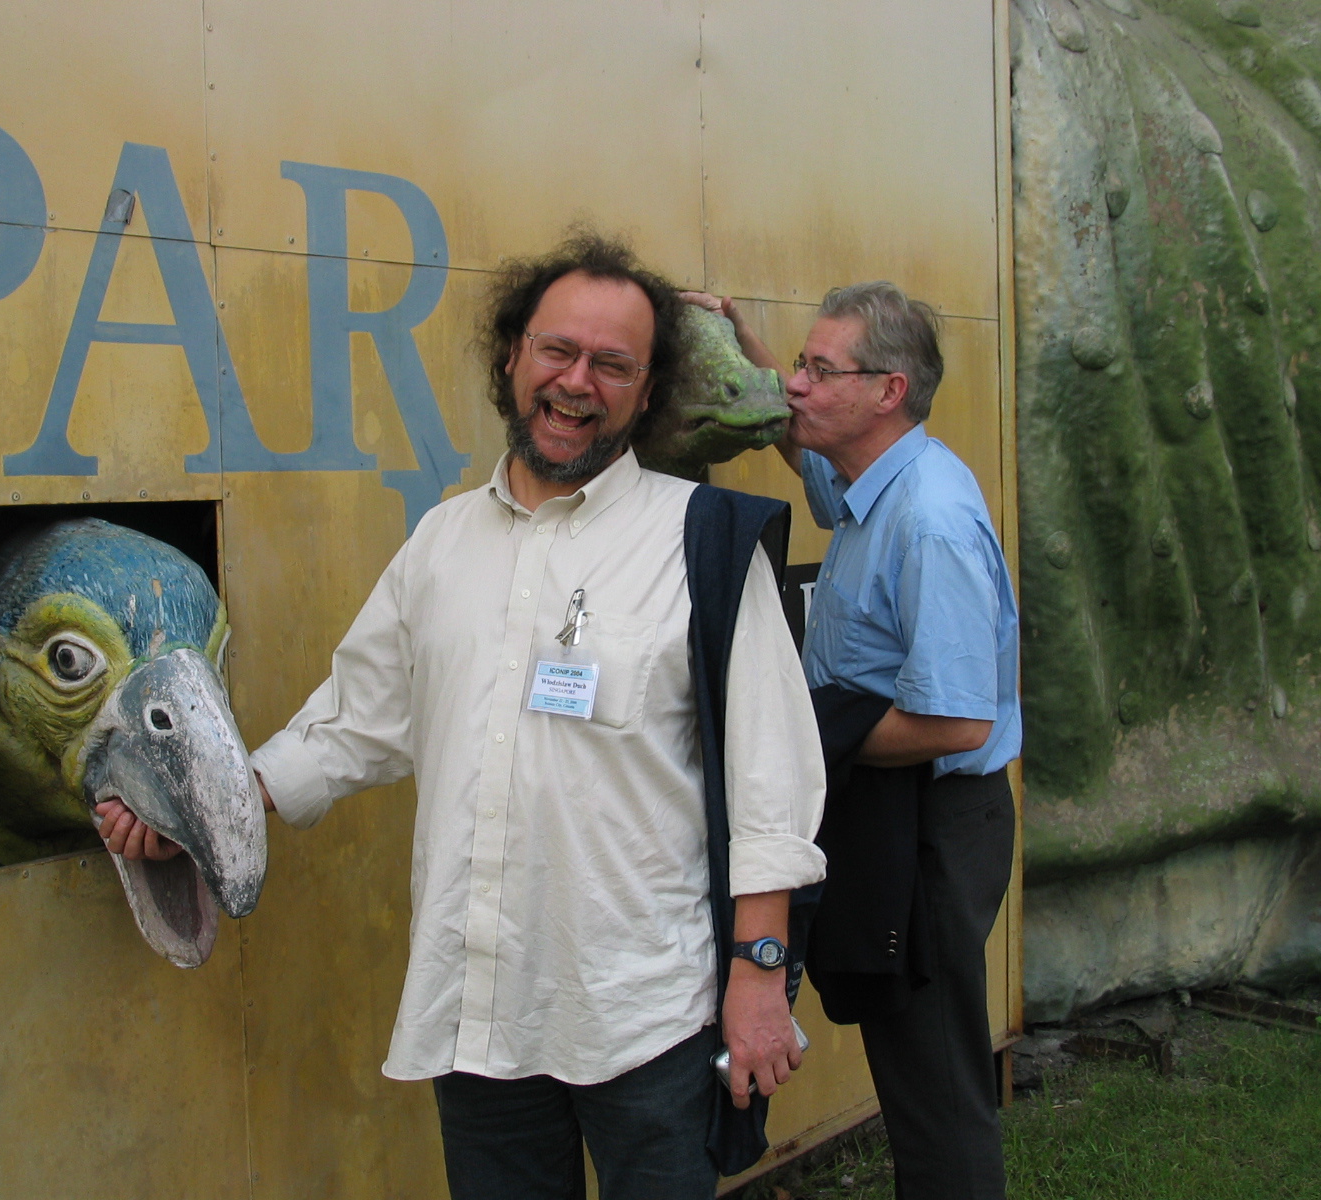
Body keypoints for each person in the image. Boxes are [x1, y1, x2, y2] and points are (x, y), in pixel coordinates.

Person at [97, 233, 828, 1200]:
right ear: (512, 357)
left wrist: (759, 976)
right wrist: (199, 811)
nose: (578, 382)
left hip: (649, 1015)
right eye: (557, 351)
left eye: (613, 365)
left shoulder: (702, 541)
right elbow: (353, 723)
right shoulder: (442, 542)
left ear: (647, 392)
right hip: (480, 1010)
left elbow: (774, 785)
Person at [689, 282, 1020, 1200]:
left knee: (934, 1082)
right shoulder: (873, 477)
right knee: (905, 1055)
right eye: (798, 364)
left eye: (819, 370)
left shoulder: (930, 521)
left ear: (888, 391)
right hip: (892, 807)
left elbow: (959, 721)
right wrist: (745, 350)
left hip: (935, 822)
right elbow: (806, 458)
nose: (796, 385)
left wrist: (807, 735)